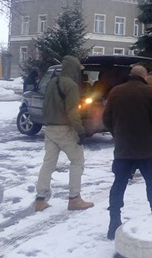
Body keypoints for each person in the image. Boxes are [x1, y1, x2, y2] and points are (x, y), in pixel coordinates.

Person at [102, 65, 152, 240]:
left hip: (123, 149)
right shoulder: (151, 92)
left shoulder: (115, 92)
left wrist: (117, 134)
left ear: (131, 75)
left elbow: (106, 118)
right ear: (144, 76)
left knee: (119, 184)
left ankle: (114, 221)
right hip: (147, 149)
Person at [33, 55, 94, 212]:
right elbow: (72, 111)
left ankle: (40, 199)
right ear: (73, 70)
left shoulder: (52, 82)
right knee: (77, 161)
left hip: (50, 128)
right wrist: (80, 130)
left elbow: (45, 104)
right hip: (65, 129)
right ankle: (74, 198)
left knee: (48, 163)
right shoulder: (71, 85)